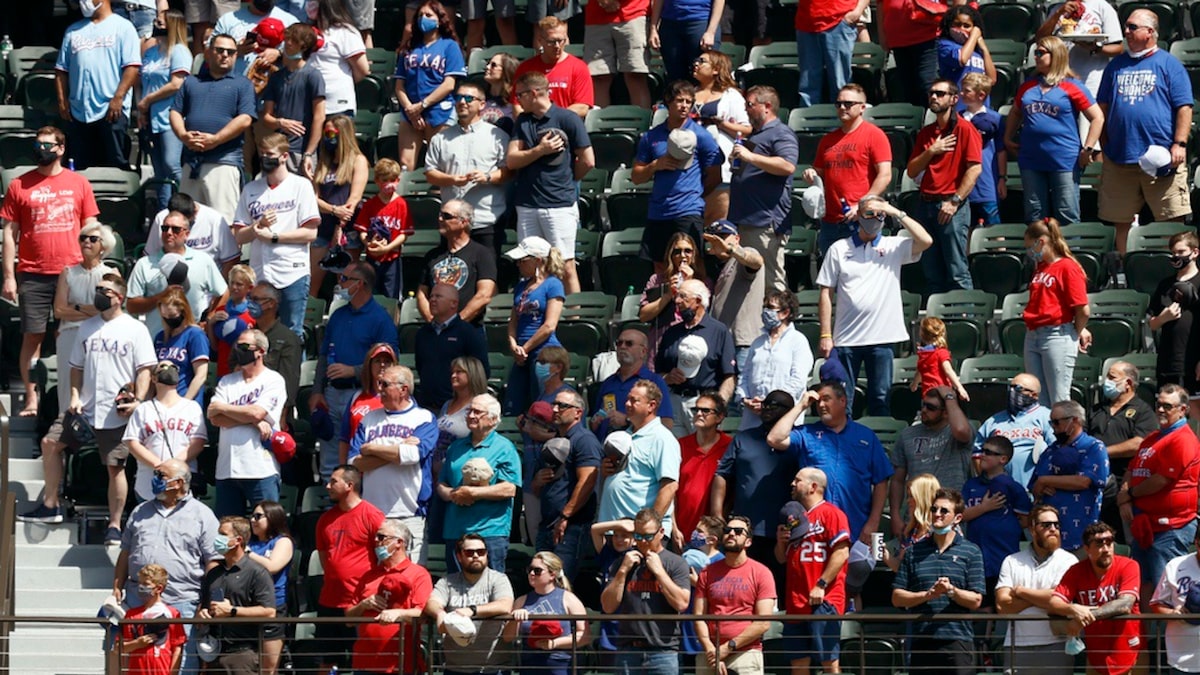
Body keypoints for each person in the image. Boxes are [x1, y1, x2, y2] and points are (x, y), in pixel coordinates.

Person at [19, 274, 155, 544]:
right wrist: (73, 395)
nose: (99, 294)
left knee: (115, 467)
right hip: (85, 408)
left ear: (119, 297)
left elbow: (145, 370)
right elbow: (76, 368)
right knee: (49, 442)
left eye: (105, 290)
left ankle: (115, 526)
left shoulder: (135, 329)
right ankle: (51, 503)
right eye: (98, 289)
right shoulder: (87, 327)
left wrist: (137, 400)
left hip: (117, 412)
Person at [0, 125, 97, 418]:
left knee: (78, 334)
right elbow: (8, 233)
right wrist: (8, 276)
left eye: (48, 144)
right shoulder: (19, 185)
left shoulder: (79, 184)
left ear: (61, 148)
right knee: (33, 336)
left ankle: (79, 396)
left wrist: (91, 268)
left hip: (72, 272)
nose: (41, 149)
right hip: (33, 272)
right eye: (38, 144)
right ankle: (32, 399)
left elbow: (91, 228)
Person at [816, 194, 932, 415]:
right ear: (858, 215)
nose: (875, 218)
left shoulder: (893, 246)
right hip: (846, 339)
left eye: (880, 214)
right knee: (843, 402)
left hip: (882, 338)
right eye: (869, 213)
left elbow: (926, 241)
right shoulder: (839, 249)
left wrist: (895, 211)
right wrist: (825, 334)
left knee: (880, 399)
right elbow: (825, 292)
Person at [1097, 9, 1194, 255]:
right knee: (1122, 223)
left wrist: (1179, 144)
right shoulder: (1115, 66)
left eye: (1132, 27)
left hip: (1163, 158)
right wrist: (1103, 143)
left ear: (1150, 32)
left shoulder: (1169, 64)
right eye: (1126, 27)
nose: (1126, 32)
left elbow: (1184, 107)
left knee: (1172, 221)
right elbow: (1102, 108)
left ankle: (1175, 271)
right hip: (1120, 158)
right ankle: (1128, 271)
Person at [113, 458, 220, 672]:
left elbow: (213, 562)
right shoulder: (140, 511)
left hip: (182, 600)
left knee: (180, 664)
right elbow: (125, 552)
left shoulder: (203, 515)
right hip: (138, 599)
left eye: (161, 476)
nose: (155, 480)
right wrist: (117, 586)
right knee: (137, 661)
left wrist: (207, 601)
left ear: (178, 483)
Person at [767, 380, 893, 544]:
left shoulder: (866, 436)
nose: (821, 405)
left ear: (843, 401)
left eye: (826, 399)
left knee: (856, 569)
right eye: (818, 401)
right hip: (813, 528)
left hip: (855, 524)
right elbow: (774, 439)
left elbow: (881, 481)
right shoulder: (807, 433)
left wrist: (874, 521)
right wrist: (801, 406)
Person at [310, 261, 401, 481]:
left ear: (359, 284)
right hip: (331, 395)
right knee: (330, 461)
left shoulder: (380, 320)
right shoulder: (338, 315)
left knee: (359, 453)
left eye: (344, 279)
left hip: (363, 396)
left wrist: (354, 371)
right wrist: (316, 391)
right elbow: (323, 355)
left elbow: (390, 362)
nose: (339, 283)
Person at [507, 71, 595, 295]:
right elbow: (512, 160)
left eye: (521, 95)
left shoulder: (567, 118)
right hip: (527, 204)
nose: (517, 100)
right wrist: (540, 151)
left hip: (559, 204)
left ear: (534, 93)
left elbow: (588, 160)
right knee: (529, 265)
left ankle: (573, 317)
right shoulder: (523, 122)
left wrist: (568, 178)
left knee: (565, 266)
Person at [1004, 35, 1103, 225]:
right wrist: (1008, 137)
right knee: (1035, 214)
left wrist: (1088, 148)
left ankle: (1069, 254)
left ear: (1055, 55)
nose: (1036, 56)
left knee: (1067, 212)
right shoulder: (1028, 86)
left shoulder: (1072, 86)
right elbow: (1015, 113)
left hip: (1063, 158)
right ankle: (1037, 255)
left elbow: (1097, 117)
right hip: (1032, 158)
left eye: (1041, 53)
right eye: (1035, 52)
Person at [1119, 383, 1200, 608]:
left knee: (1165, 590)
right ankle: (1148, 640)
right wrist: (1124, 496)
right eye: (1158, 405)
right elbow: (1131, 470)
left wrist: (1130, 494)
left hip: (1171, 528)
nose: (1161, 410)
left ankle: (1166, 642)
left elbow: (1161, 480)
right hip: (1145, 525)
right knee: (1144, 586)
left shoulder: (1183, 438)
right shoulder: (1152, 438)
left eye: (1168, 406)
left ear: (1183, 410)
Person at [349, 365, 439, 565]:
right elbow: (354, 466)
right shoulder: (368, 419)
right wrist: (398, 450)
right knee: (375, 581)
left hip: (409, 514)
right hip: (373, 515)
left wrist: (371, 448)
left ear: (404, 389)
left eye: (384, 384)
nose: (379, 388)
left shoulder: (423, 418)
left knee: (409, 580)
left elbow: (413, 454)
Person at [232, 132, 320, 337]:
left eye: (269, 154)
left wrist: (274, 237)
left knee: (292, 332)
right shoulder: (251, 189)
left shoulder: (300, 185)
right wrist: (256, 228)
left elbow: (311, 232)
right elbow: (238, 236)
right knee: (260, 331)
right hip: (261, 272)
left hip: (292, 271)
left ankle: (293, 370)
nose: (265, 158)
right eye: (262, 153)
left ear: (284, 156)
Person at [891, 488, 985, 675]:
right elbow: (897, 597)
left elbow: (976, 600)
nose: (937, 515)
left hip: (958, 641)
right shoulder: (913, 551)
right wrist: (927, 595)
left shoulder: (971, 551)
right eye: (934, 509)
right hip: (921, 640)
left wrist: (951, 591)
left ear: (957, 518)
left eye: (944, 511)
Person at [633, 81, 724, 269]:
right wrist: (655, 166)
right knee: (660, 267)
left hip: (688, 212)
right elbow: (636, 176)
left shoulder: (702, 136)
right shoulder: (652, 137)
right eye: (679, 101)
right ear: (668, 101)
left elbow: (715, 176)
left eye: (688, 102)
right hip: (658, 212)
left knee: (692, 265)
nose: (684, 106)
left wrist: (693, 195)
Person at [711, 389, 799, 582]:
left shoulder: (798, 441)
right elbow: (722, 475)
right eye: (765, 404)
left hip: (783, 531)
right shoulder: (743, 438)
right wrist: (717, 514)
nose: (767, 409)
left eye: (774, 405)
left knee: (778, 590)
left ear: (789, 411)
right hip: (746, 529)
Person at [170, 33, 257, 223]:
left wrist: (215, 139)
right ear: (208, 53)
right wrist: (184, 135)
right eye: (220, 50)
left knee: (223, 224)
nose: (225, 55)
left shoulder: (243, 84)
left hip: (223, 163)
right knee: (184, 222)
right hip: (191, 162)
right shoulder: (191, 82)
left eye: (231, 52)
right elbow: (175, 112)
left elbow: (245, 119)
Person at [906, 79, 982, 293]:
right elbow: (911, 171)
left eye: (940, 94)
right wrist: (931, 151)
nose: (934, 97)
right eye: (931, 93)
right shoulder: (926, 133)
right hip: (926, 204)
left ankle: (964, 316)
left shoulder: (966, 130)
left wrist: (955, 200)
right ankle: (936, 323)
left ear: (954, 99)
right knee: (931, 273)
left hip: (951, 206)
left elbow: (975, 169)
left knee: (957, 269)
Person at [776, 468, 851, 675]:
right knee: (798, 663)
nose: (792, 483)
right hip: (795, 600)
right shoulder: (793, 516)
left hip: (823, 599)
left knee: (829, 662)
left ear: (813, 487)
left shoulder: (831, 513)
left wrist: (821, 584)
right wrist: (781, 543)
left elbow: (842, 552)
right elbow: (781, 559)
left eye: (797, 480)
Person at [425, 80, 512, 254]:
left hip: (486, 220)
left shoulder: (497, 136)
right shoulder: (440, 138)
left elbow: (509, 172)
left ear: (481, 104)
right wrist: (452, 180)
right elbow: (430, 173)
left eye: (468, 98)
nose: (462, 102)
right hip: (452, 222)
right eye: (458, 97)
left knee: (487, 276)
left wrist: (487, 177)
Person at [600, 508, 691, 674]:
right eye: (638, 536)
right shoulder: (623, 562)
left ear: (661, 532)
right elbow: (607, 606)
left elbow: (682, 603)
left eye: (648, 536)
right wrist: (622, 571)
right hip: (628, 650)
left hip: (663, 651)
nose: (643, 542)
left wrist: (659, 572)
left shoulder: (676, 563)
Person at [207, 328, 288, 517]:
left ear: (260, 350)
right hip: (227, 469)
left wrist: (227, 409)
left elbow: (257, 412)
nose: (238, 350)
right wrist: (252, 421)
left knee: (267, 528)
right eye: (237, 346)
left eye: (244, 346)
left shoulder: (273, 380)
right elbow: (214, 417)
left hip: (260, 468)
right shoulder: (227, 381)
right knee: (229, 531)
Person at [806, 83, 893, 255]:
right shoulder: (828, 139)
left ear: (862, 107)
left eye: (848, 104)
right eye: (838, 104)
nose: (842, 108)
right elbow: (818, 171)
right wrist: (811, 174)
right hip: (830, 221)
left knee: (862, 274)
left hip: (861, 220)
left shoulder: (874, 135)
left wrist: (862, 205)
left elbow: (885, 175)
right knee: (831, 277)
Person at [314, 464, 386, 671]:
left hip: (359, 602)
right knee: (327, 661)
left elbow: (384, 556)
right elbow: (323, 555)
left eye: (333, 482)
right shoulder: (325, 519)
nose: (327, 486)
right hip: (329, 601)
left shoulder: (372, 515)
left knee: (361, 660)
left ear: (350, 485)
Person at [1049, 522, 1145, 675]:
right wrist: (1073, 608)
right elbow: (1054, 602)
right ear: (1087, 549)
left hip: (1130, 650)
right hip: (1096, 655)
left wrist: (1085, 617)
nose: (1106, 549)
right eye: (1099, 544)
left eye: (1109, 542)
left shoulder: (1129, 565)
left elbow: (1125, 603)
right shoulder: (1077, 571)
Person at [438, 394, 522, 569]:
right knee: (456, 590)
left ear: (493, 419)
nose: (470, 415)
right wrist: (453, 494)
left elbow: (509, 489)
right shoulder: (456, 447)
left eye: (477, 412)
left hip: (489, 533)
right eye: (469, 411)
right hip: (456, 531)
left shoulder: (505, 448)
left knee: (489, 589)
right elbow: (441, 484)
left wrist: (472, 493)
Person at [728, 86, 799, 294]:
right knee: (750, 284)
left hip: (765, 222)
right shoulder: (757, 135)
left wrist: (750, 157)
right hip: (746, 220)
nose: (746, 111)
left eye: (750, 105)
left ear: (767, 106)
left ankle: (779, 324)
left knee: (771, 284)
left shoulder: (781, 132)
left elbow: (787, 165)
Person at [994, 504, 1079, 674]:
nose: (1053, 529)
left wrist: (1020, 592)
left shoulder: (1069, 561)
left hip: (1056, 644)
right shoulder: (1011, 561)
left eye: (1056, 525)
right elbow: (1002, 606)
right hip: (1016, 645)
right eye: (1046, 525)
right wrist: (1044, 598)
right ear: (1032, 529)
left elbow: (1059, 600)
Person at [55, 0, 140, 170]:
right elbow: (61, 70)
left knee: (114, 166)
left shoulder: (123, 27)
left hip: (111, 111)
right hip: (79, 112)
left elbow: (132, 68)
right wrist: (62, 100)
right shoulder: (73, 30)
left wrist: (118, 97)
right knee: (80, 169)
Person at [345, 519, 433, 675]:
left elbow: (423, 614)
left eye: (381, 537)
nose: (375, 541)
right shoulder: (369, 575)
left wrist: (398, 613)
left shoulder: (418, 574)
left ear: (399, 542)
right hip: (364, 663)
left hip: (399, 664)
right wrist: (363, 605)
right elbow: (349, 619)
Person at [692, 514, 776, 675]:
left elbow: (764, 622)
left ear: (748, 541)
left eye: (738, 531)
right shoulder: (707, 572)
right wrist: (711, 650)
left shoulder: (762, 573)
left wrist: (728, 647)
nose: (731, 534)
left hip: (746, 652)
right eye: (728, 530)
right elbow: (699, 616)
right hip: (709, 651)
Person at [597, 380, 682, 534]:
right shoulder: (624, 435)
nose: (627, 404)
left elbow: (669, 487)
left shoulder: (662, 438)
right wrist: (606, 471)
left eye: (634, 400)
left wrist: (649, 529)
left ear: (651, 406)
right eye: (627, 399)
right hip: (614, 532)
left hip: (640, 536)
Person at [534, 389, 602, 580]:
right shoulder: (555, 440)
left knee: (559, 584)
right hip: (547, 524)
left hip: (570, 527)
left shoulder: (585, 440)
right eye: (554, 404)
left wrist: (565, 516)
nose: (555, 409)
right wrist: (537, 480)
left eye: (562, 406)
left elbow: (588, 481)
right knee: (542, 584)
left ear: (578, 412)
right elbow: (536, 487)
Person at [128, 209, 228, 339]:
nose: (169, 233)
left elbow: (224, 292)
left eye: (175, 229)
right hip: (157, 342)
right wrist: (160, 297)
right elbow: (131, 306)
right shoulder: (144, 264)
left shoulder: (203, 260)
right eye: (165, 228)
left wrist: (209, 318)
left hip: (191, 343)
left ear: (187, 234)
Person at [424, 534, 515, 675]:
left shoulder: (498, 579)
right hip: (455, 668)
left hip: (493, 668)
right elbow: (432, 602)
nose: (476, 556)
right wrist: (440, 613)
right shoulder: (447, 581)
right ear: (459, 556)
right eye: (469, 552)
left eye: (481, 551)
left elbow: (505, 605)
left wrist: (472, 610)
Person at [197, 516, 278, 673]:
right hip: (213, 652)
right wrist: (202, 614)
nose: (217, 539)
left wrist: (232, 611)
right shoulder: (213, 573)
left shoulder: (257, 572)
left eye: (223, 534)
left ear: (238, 540)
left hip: (243, 654)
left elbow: (269, 612)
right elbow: (203, 607)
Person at [1023, 218, 1092, 405]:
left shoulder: (1068, 267)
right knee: (1036, 398)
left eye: (1031, 247)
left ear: (1042, 242)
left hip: (1056, 334)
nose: (1030, 252)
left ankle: (1063, 435)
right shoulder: (1041, 267)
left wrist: (1075, 332)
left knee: (1059, 399)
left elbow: (1082, 309)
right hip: (1033, 333)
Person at [51, 222, 117, 414]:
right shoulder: (68, 272)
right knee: (66, 386)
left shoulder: (110, 274)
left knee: (97, 382)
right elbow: (59, 310)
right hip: (70, 333)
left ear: (103, 246)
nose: (87, 242)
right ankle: (65, 432)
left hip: (100, 334)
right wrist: (92, 309)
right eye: (83, 238)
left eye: (93, 239)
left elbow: (109, 310)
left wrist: (76, 307)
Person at [889, 386, 974, 532]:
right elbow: (897, 480)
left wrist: (949, 397)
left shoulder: (956, 433)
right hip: (916, 517)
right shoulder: (907, 435)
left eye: (931, 407)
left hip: (949, 517)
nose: (924, 410)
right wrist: (895, 515)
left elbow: (961, 430)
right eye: (923, 405)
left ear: (946, 412)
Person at [655, 279, 738, 428]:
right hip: (673, 403)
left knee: (702, 450)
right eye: (676, 296)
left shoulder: (719, 331)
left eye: (682, 296)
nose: (677, 301)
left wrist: (717, 405)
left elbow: (729, 376)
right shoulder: (671, 333)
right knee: (675, 449)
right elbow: (658, 371)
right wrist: (667, 377)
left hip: (703, 405)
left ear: (698, 300)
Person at [393, 1, 465, 171]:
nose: (423, 19)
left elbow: (449, 84)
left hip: (438, 109)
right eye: (420, 16)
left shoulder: (450, 46)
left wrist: (422, 105)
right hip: (410, 112)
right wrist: (411, 109)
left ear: (439, 20)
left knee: (439, 164)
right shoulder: (409, 48)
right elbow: (399, 86)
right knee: (405, 164)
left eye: (428, 15)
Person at [1030, 400, 1109, 552]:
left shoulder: (1093, 447)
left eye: (1057, 422)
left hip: (1080, 536)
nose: (1053, 428)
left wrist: (1047, 480)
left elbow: (1084, 481)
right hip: (1049, 538)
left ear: (1075, 420)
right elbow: (1035, 485)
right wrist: (1041, 486)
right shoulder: (1051, 450)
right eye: (1051, 423)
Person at [124, 361, 208, 503]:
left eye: (173, 367)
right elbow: (132, 442)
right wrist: (160, 466)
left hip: (181, 482)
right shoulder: (143, 409)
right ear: (154, 378)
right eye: (162, 367)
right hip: (148, 482)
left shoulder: (192, 407)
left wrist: (173, 467)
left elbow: (198, 442)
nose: (168, 369)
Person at [962, 435, 1033, 596]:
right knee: (980, 605)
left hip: (1004, 555)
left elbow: (1026, 520)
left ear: (1003, 459)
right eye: (982, 450)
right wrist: (984, 507)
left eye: (988, 452)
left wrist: (1005, 523)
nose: (982, 455)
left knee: (1003, 603)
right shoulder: (971, 484)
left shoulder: (1014, 487)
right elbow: (961, 515)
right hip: (977, 556)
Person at [504, 237, 566, 415]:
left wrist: (525, 348)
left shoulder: (553, 284)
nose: (518, 265)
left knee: (542, 402)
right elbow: (513, 320)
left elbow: (549, 325)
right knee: (512, 405)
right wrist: (513, 345)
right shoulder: (521, 287)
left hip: (544, 352)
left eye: (522, 261)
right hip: (522, 354)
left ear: (537, 260)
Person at [502, 552, 590, 675]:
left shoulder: (569, 599)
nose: (531, 574)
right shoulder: (521, 601)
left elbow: (584, 636)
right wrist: (515, 620)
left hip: (561, 665)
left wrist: (554, 644)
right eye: (530, 569)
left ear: (552, 574)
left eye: (537, 571)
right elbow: (507, 637)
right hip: (530, 666)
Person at [139, 9, 191, 211]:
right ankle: (163, 212)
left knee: (171, 164)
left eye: (161, 22)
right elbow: (144, 84)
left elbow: (176, 83)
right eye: (156, 21)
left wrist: (148, 100)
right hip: (151, 117)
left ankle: (186, 205)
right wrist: (143, 110)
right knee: (159, 170)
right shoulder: (151, 52)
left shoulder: (179, 51)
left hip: (171, 116)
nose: (157, 25)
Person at [691, 50, 751, 224]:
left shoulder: (731, 95)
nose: (696, 64)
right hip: (693, 164)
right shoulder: (689, 93)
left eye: (702, 61)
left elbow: (746, 129)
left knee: (717, 221)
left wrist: (721, 123)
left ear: (716, 69)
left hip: (720, 166)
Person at [415, 200, 498, 327]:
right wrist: (432, 321)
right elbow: (421, 294)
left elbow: (484, 295)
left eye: (447, 216)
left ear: (463, 222)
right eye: (440, 215)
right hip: (435, 330)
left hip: (469, 329)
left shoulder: (482, 254)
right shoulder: (432, 256)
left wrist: (456, 323)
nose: (440, 219)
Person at [311, 115, 370, 292]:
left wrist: (340, 224)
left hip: (347, 229)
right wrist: (333, 210)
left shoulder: (358, 160)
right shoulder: (323, 161)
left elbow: (354, 198)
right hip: (323, 228)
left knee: (346, 284)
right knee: (312, 281)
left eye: (331, 133)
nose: (328, 137)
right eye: (325, 133)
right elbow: (313, 198)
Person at [737, 289, 812, 430]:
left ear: (785, 313)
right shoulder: (757, 342)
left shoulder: (798, 341)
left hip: (783, 419)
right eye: (764, 308)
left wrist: (769, 403)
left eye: (770, 308)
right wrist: (745, 399)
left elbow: (797, 381)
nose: (766, 312)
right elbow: (745, 375)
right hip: (752, 419)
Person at [973, 373, 1056, 492]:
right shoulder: (993, 421)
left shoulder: (1046, 416)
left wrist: (1048, 482)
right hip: (999, 492)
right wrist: (987, 482)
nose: (1012, 391)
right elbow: (977, 454)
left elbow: (1057, 451)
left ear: (1034, 395)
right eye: (1010, 387)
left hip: (1034, 490)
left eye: (1018, 389)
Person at [261, 22, 326, 172]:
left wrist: (309, 153)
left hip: (301, 150)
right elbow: (267, 118)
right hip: (278, 148)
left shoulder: (313, 75)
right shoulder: (276, 77)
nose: (288, 43)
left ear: (304, 46)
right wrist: (280, 123)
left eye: (294, 40)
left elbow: (319, 116)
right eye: (287, 39)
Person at [414, 283, 490, 411]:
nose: (432, 300)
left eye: (438, 296)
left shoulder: (468, 333)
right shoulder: (422, 334)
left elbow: (481, 371)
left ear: (453, 304)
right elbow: (420, 366)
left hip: (458, 408)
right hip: (427, 406)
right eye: (431, 296)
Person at [591, 329, 675, 440]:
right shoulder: (608, 382)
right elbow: (595, 419)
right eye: (619, 343)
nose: (622, 347)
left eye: (629, 343)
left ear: (643, 352)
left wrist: (627, 421)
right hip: (605, 448)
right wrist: (595, 423)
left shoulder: (654, 382)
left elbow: (666, 424)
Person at [640, 232, 708, 357]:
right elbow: (643, 316)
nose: (682, 255)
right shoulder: (657, 280)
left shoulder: (703, 281)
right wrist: (667, 295)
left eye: (687, 251)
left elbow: (704, 314)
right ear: (671, 255)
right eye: (677, 251)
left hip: (690, 341)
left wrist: (689, 284)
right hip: (661, 340)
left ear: (694, 255)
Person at [676, 391, 731, 545]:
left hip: (714, 534)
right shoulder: (680, 445)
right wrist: (673, 528)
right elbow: (671, 489)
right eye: (696, 410)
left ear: (720, 417)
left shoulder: (730, 447)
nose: (699, 414)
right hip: (682, 531)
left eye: (705, 411)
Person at [246, 500, 294, 675]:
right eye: (251, 516)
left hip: (273, 606)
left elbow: (273, 566)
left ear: (272, 517)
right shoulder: (249, 542)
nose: (253, 520)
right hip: (248, 606)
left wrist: (246, 553)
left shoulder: (283, 542)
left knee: (268, 668)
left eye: (258, 516)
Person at [1035, 0, 1122, 96]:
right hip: (1060, 78)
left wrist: (1096, 48)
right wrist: (1058, 13)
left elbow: (1118, 48)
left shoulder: (1102, 6)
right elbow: (1040, 39)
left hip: (1091, 80)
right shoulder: (1057, 8)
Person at [513, 17, 594, 118]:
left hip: (565, 125)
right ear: (540, 41)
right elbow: (517, 106)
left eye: (561, 41)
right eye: (551, 41)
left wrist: (552, 118)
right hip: (533, 126)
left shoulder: (579, 67)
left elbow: (582, 107)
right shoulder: (526, 68)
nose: (557, 46)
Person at [1150, 232, 1200, 392]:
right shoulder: (1165, 284)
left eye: (1181, 252)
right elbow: (1151, 324)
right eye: (1173, 253)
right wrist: (1163, 318)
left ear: (1195, 252)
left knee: (1195, 410)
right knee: (1168, 407)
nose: (1176, 256)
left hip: (1193, 359)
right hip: (1169, 361)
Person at [146, 192, 241, 274]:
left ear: (194, 212)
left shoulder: (214, 219)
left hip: (208, 288)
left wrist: (220, 290)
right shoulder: (162, 219)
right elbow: (149, 257)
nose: (169, 231)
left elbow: (231, 259)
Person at [117, 564, 187, 675]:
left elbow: (177, 647)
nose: (141, 587)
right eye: (139, 583)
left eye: (145, 584)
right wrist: (137, 643)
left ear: (159, 588)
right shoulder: (131, 615)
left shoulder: (172, 614)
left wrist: (173, 673)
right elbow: (118, 647)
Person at [336, 343, 397, 468]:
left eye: (387, 361)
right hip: (358, 467)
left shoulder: (402, 399)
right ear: (369, 366)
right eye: (377, 361)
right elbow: (345, 438)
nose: (382, 365)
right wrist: (343, 469)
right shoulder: (356, 398)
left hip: (391, 469)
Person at [794, 0, 866, 107]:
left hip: (839, 19)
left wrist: (858, 11)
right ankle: (808, 122)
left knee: (840, 83)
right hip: (806, 22)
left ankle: (843, 121)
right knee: (808, 86)